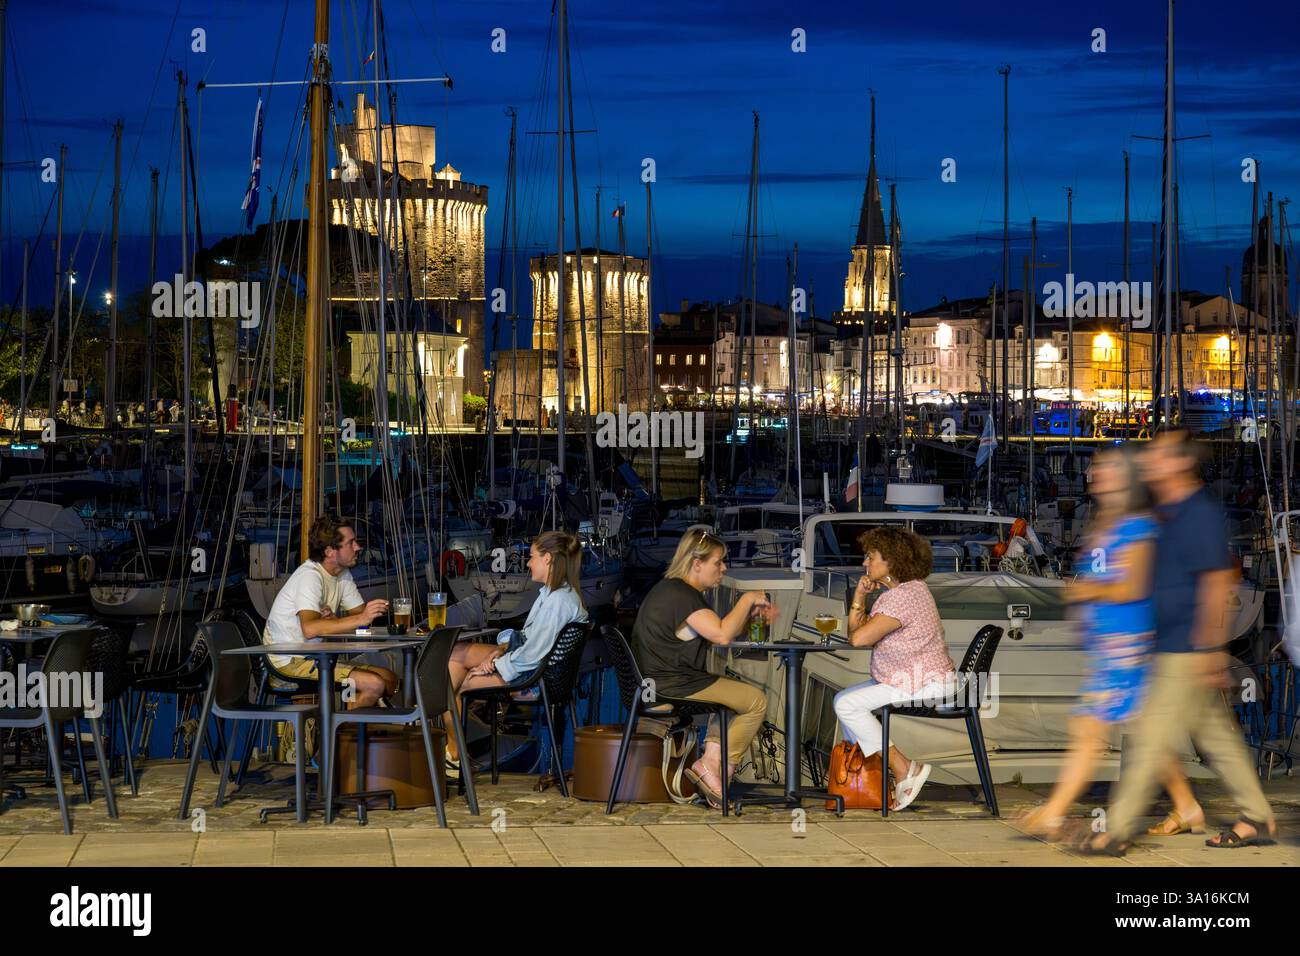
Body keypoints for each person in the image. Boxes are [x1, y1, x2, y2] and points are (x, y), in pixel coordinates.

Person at [1086, 429, 1278, 855]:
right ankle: (1257, 816)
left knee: (1150, 735)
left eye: (1158, 453)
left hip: (1186, 648)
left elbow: (1214, 581)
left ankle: (1115, 830)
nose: (1150, 459)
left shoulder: (1198, 514)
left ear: (1178, 463)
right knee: (1214, 737)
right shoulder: (1164, 512)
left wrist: (1210, 650)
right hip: (1167, 643)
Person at [1019, 444, 1157, 838]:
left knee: (1087, 727)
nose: (1097, 474)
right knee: (1146, 731)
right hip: (1106, 646)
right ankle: (1187, 806)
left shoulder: (1137, 527)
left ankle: (1055, 812)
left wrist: (1084, 593)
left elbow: (1133, 586)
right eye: (1097, 468)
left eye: (1108, 468)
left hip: (1126, 646)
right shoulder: (1103, 523)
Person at [630, 528, 775, 808]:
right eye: (718, 562)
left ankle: (713, 768)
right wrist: (746, 599)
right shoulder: (683, 596)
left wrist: (748, 619)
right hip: (674, 683)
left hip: (661, 681)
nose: (723, 568)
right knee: (756, 701)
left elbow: (719, 633)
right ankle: (714, 767)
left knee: (733, 697)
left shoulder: (672, 590)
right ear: (697, 564)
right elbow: (721, 635)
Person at [833, 526, 957, 810]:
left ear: (891, 560)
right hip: (910, 678)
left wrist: (861, 600)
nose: (865, 563)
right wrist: (860, 596)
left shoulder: (902, 597)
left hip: (925, 682)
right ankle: (873, 778)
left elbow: (857, 638)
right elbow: (857, 633)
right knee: (841, 700)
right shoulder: (909, 591)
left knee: (848, 706)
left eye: (870, 557)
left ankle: (904, 768)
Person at [442, 531, 588, 770]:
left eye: (531, 557)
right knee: (455, 654)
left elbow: (533, 655)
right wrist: (500, 649)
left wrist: (492, 666)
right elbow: (529, 639)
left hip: (535, 677)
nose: (528, 563)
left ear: (548, 559)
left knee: (455, 684)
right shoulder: (555, 594)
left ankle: (452, 753)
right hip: (529, 663)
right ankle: (452, 752)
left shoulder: (558, 603)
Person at [262, 515, 398, 708]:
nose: (358, 547)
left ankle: (351, 711)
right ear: (330, 551)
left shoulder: (342, 574)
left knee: (389, 679)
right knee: (373, 684)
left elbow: (361, 620)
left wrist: (340, 620)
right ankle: (341, 733)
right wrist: (360, 617)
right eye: (351, 543)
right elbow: (309, 629)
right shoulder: (310, 576)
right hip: (289, 662)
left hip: (320, 659)